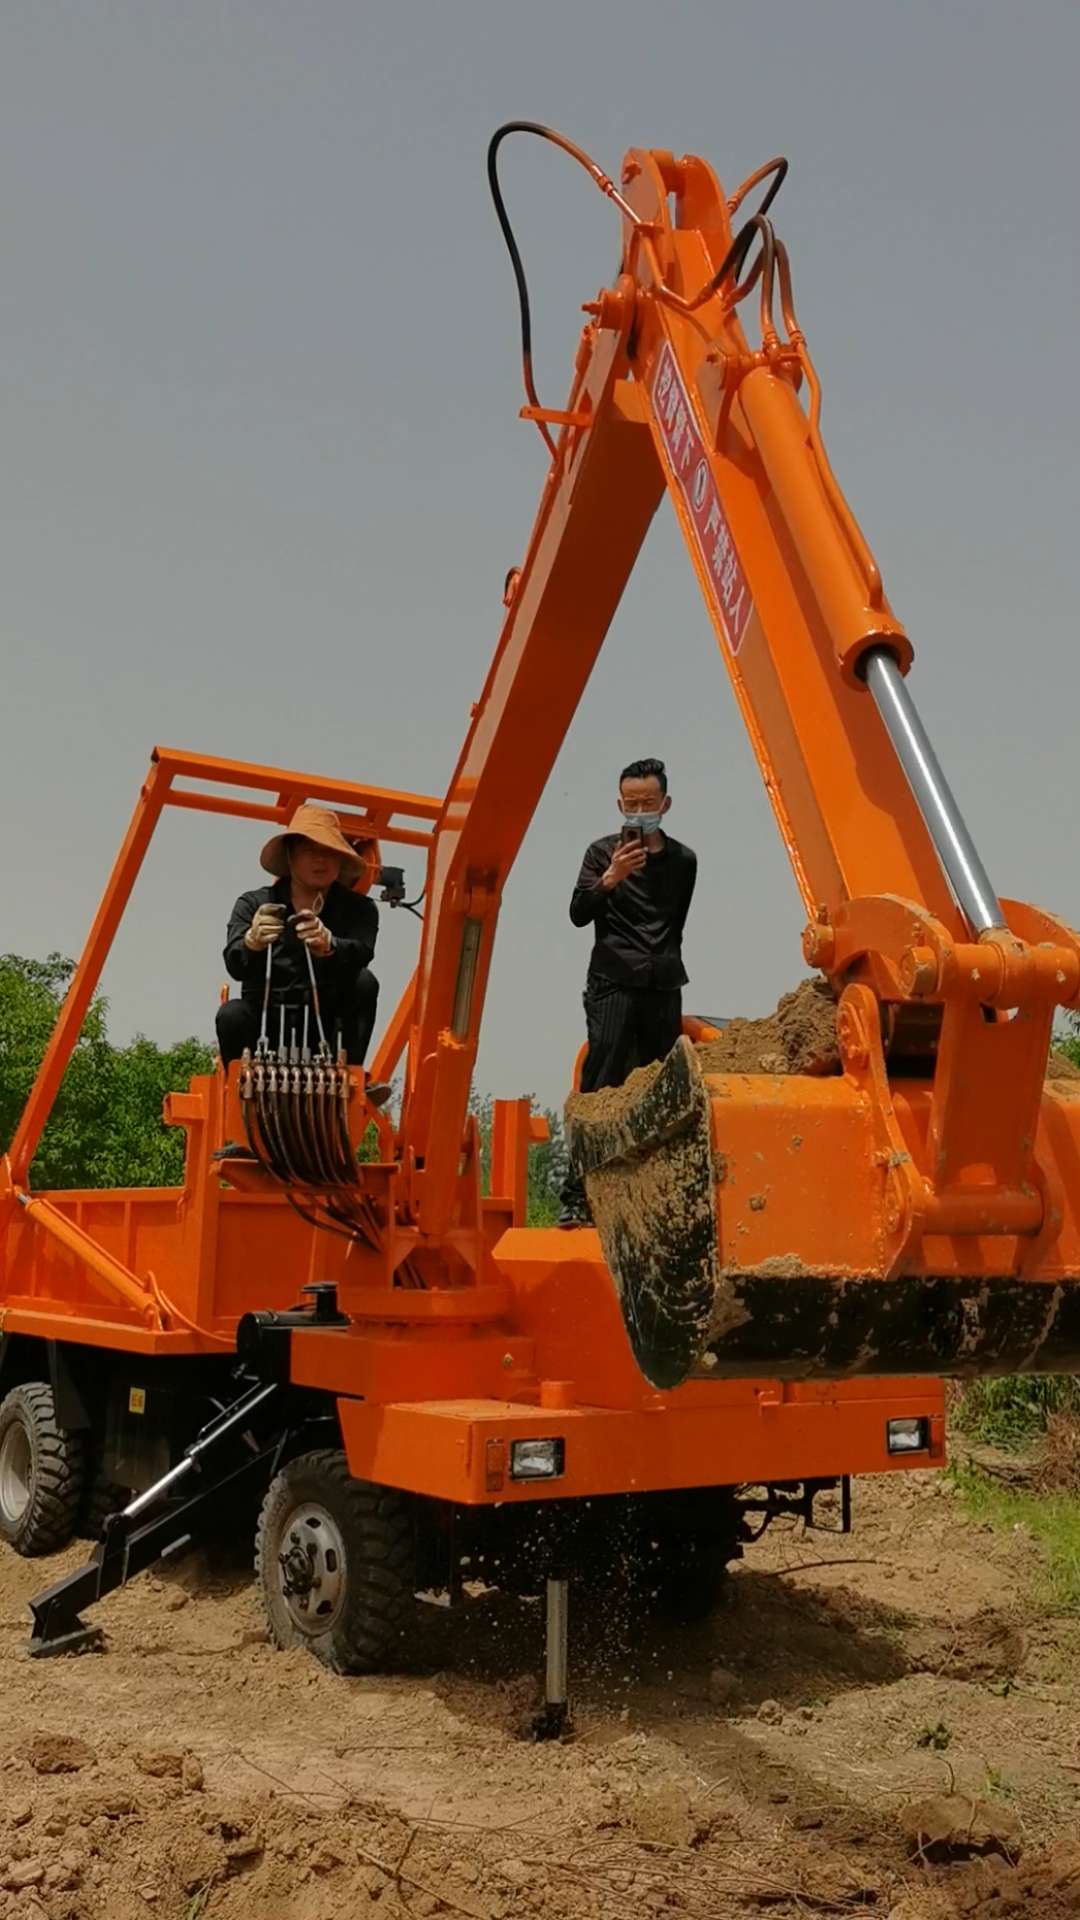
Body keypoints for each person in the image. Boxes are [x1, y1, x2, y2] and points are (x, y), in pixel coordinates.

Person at [558, 758, 697, 1228]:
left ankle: (659, 1193)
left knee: (662, 1086)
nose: (640, 811)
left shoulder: (684, 860)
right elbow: (577, 914)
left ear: (666, 804)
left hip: (663, 983)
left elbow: (673, 921)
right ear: (619, 804)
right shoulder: (601, 852)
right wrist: (609, 880)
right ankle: (576, 1194)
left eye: (648, 803)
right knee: (601, 1079)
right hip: (613, 980)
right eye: (631, 803)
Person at [215, 803, 388, 1098]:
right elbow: (235, 963)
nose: (320, 860)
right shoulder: (253, 904)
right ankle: (241, 1093)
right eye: (310, 850)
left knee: (365, 982)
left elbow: (362, 951)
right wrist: (252, 941)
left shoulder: (359, 909)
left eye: (329, 851)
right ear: (290, 855)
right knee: (231, 1015)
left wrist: (330, 945)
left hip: (328, 1028)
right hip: (267, 1027)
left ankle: (349, 1079)